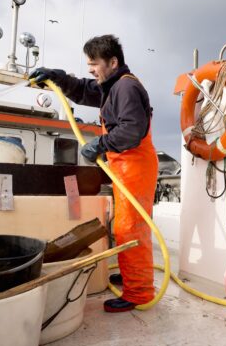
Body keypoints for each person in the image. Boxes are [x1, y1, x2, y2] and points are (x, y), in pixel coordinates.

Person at [30, 35, 158, 313]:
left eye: (94, 64)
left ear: (113, 62)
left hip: (135, 166)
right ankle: (131, 274)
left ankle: (139, 292)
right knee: (125, 225)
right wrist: (55, 77)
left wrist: (100, 144)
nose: (90, 69)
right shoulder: (110, 86)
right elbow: (81, 89)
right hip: (124, 165)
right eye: (88, 64)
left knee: (130, 227)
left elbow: (132, 130)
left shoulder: (126, 88)